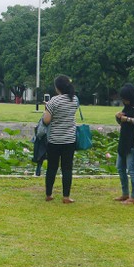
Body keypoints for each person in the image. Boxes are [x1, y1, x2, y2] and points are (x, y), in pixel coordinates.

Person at [42, 75, 78, 203]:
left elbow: (46, 120)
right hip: (69, 139)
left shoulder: (53, 101)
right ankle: (66, 196)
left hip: (55, 139)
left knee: (52, 167)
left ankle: (48, 194)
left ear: (57, 87)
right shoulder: (75, 99)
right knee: (67, 168)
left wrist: (47, 108)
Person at [114, 83, 134, 204]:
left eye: (125, 98)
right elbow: (122, 123)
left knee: (131, 170)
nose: (124, 101)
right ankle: (125, 194)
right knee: (120, 168)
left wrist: (128, 119)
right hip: (124, 142)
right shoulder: (126, 107)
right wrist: (118, 117)